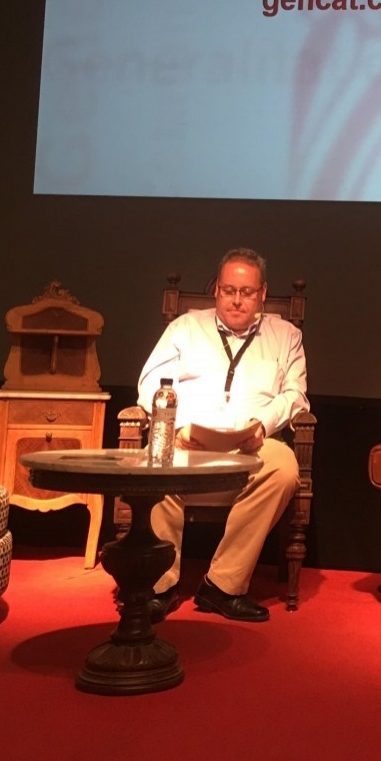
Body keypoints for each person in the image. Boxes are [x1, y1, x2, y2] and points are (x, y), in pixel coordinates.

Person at [138, 248, 307, 623]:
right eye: (229, 290)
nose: (236, 299)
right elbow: (149, 383)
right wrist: (178, 426)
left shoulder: (286, 336)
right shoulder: (185, 328)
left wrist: (262, 424)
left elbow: (296, 395)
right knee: (156, 460)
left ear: (262, 293)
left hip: (252, 446)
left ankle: (222, 586)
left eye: (246, 292)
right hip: (188, 441)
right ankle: (159, 587)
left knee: (284, 469)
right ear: (216, 289)